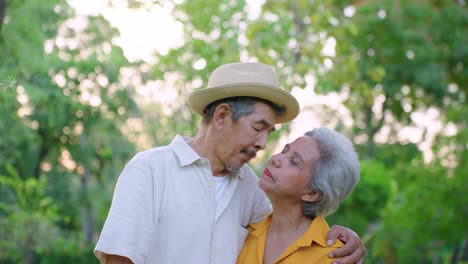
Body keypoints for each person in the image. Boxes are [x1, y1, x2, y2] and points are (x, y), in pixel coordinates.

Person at [94, 62, 366, 264]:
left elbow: (291, 224)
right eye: (257, 128)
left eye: (268, 133)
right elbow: (119, 258)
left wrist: (343, 237)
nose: (262, 144)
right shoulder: (151, 169)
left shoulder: (250, 186)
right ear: (222, 116)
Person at [237, 127, 361, 264]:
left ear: (312, 193)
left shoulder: (335, 256)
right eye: (284, 151)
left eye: (294, 162)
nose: (276, 159)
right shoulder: (245, 229)